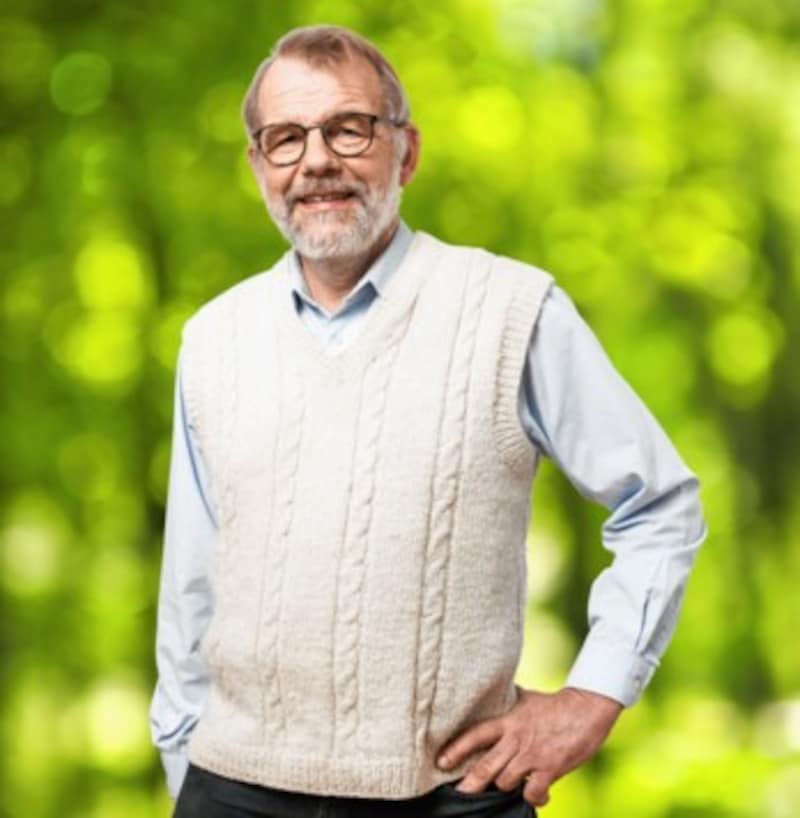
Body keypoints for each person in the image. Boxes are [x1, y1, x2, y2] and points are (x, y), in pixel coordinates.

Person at [149, 24, 707, 818]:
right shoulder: (213, 338)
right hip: (230, 791)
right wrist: (184, 762)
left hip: (451, 798)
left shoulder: (513, 310)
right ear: (259, 167)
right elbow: (190, 583)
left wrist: (592, 698)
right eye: (284, 139)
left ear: (405, 152)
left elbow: (661, 506)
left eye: (348, 128)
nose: (316, 161)